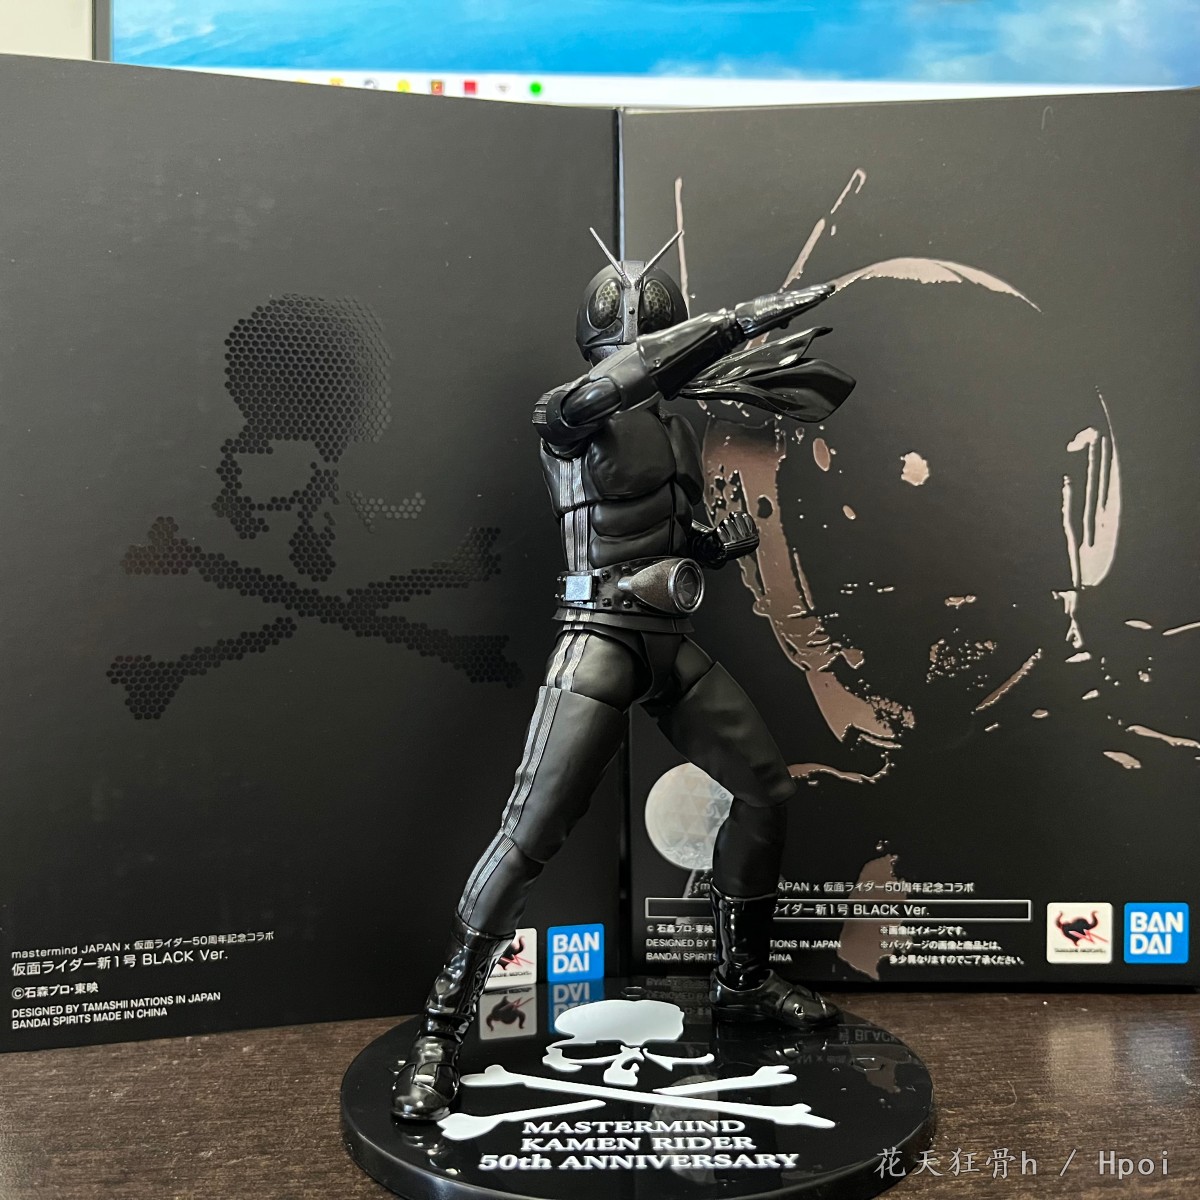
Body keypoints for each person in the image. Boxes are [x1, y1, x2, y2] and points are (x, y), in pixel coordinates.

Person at [392, 230, 855, 1121]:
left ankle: (741, 982)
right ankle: (439, 1034)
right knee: (528, 836)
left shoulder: (677, 426)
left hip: (668, 641)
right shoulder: (569, 411)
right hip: (597, 642)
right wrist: (739, 321)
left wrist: (714, 546)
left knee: (765, 790)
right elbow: (623, 382)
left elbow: (670, 535)